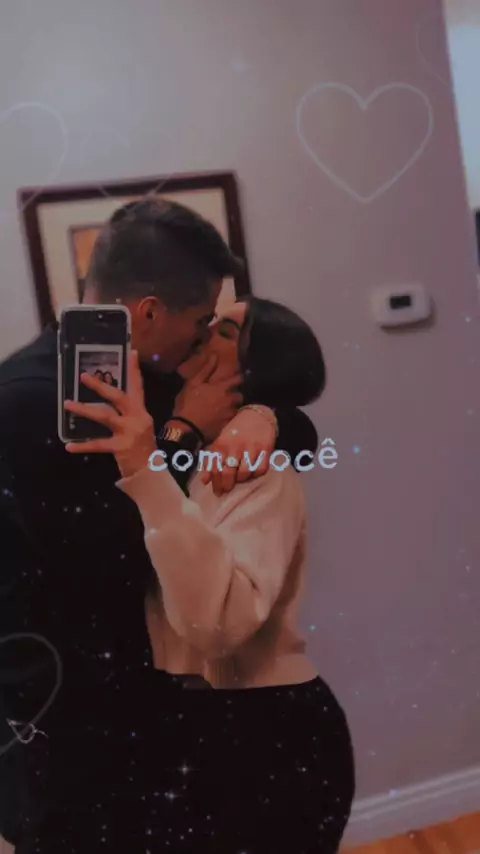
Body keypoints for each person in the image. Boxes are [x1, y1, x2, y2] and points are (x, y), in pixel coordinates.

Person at [0, 198, 317, 852]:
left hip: (153, 708)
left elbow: (299, 429)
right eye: (200, 322)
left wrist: (266, 418)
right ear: (149, 313)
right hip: (62, 721)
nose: (202, 340)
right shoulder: (25, 401)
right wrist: (179, 434)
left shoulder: (150, 375)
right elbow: (110, 554)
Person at [64, 296, 356, 854]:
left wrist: (262, 417)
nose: (203, 328)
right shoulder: (179, 439)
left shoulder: (253, 469)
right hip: (193, 724)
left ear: (254, 366)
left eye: (223, 329)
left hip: (264, 732)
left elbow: (217, 628)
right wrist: (184, 432)